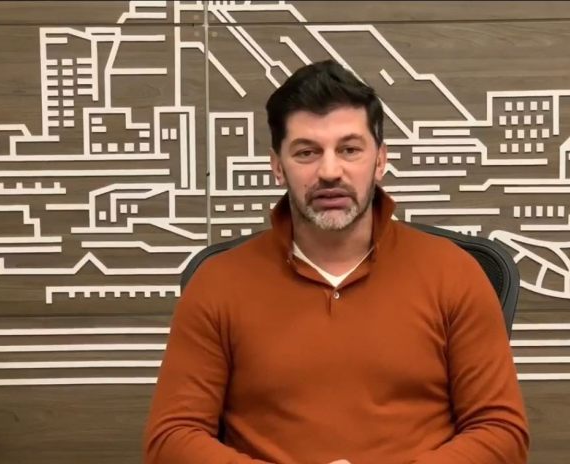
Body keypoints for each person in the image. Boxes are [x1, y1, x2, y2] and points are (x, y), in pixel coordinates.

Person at [144, 59, 529, 464]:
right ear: (277, 167)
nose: (330, 171)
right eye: (307, 152)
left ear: (380, 160)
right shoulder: (219, 283)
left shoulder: (454, 272)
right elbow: (171, 440)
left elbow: (501, 434)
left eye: (349, 149)